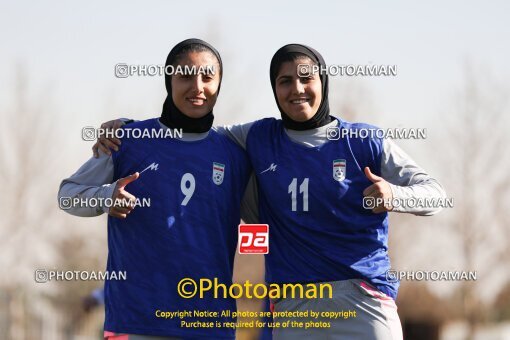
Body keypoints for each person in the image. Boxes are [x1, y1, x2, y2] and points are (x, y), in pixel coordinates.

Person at [96, 44, 446, 340]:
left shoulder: (364, 141)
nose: (297, 89)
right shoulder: (258, 137)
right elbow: (194, 130)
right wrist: (131, 129)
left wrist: (394, 196)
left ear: (323, 81)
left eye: (306, 78)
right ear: (275, 89)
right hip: (293, 311)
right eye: (285, 81)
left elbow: (435, 194)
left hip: (364, 304)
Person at [58, 39, 251, 339]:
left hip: (209, 324)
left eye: (208, 77)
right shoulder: (128, 139)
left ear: (219, 84)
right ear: (168, 80)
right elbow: (68, 195)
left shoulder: (235, 152)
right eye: (185, 75)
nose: (197, 86)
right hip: (136, 322)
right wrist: (106, 197)